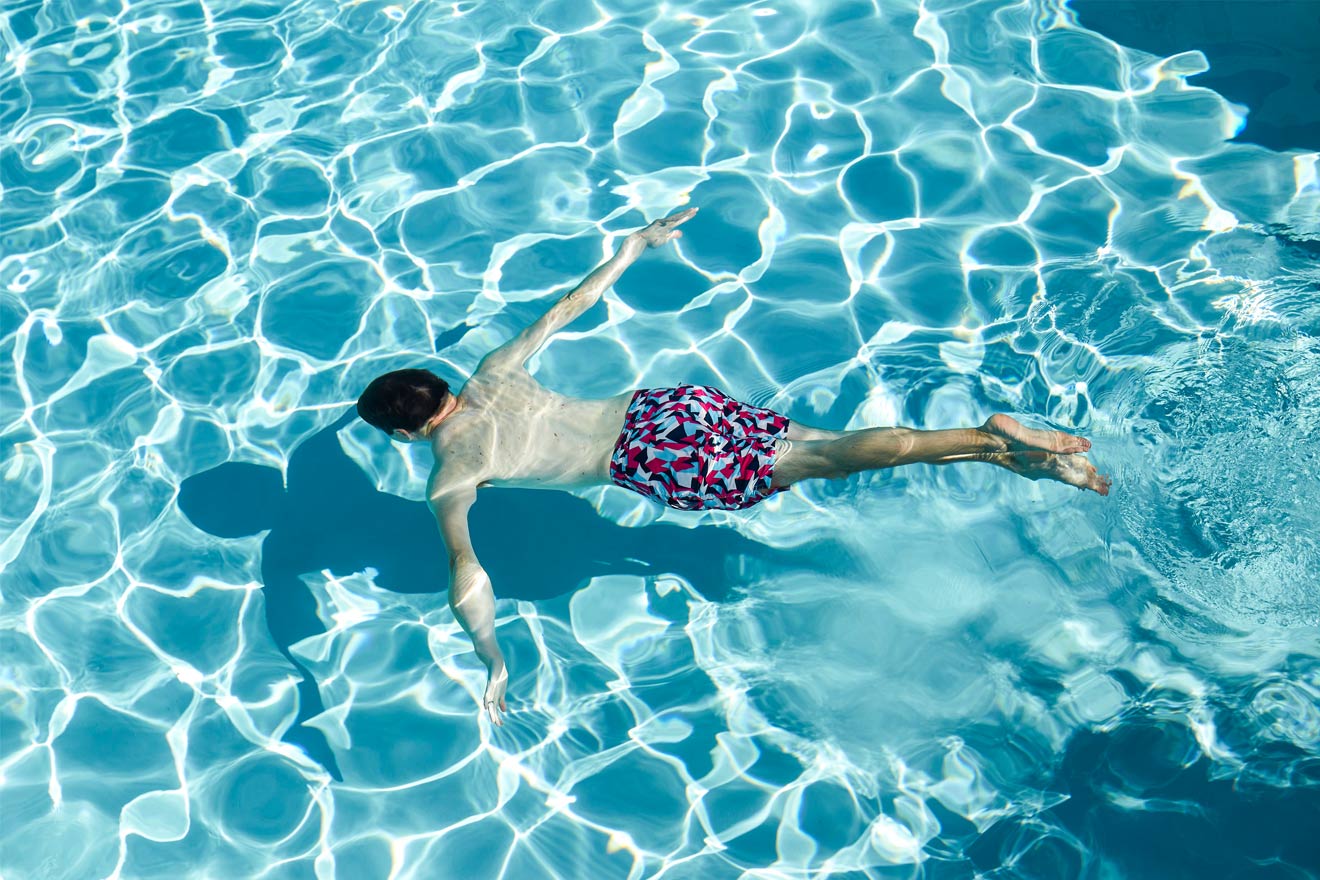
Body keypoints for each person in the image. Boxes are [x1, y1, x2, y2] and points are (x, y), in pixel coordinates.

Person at [356, 208, 1111, 727]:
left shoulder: (452, 472)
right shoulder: (491, 372)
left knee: (832, 460)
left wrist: (491, 659)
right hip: (663, 408)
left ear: (405, 435)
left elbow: (467, 575)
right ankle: (1023, 461)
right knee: (826, 443)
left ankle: (982, 438)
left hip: (650, 457)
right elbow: (567, 305)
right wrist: (636, 244)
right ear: (443, 388)